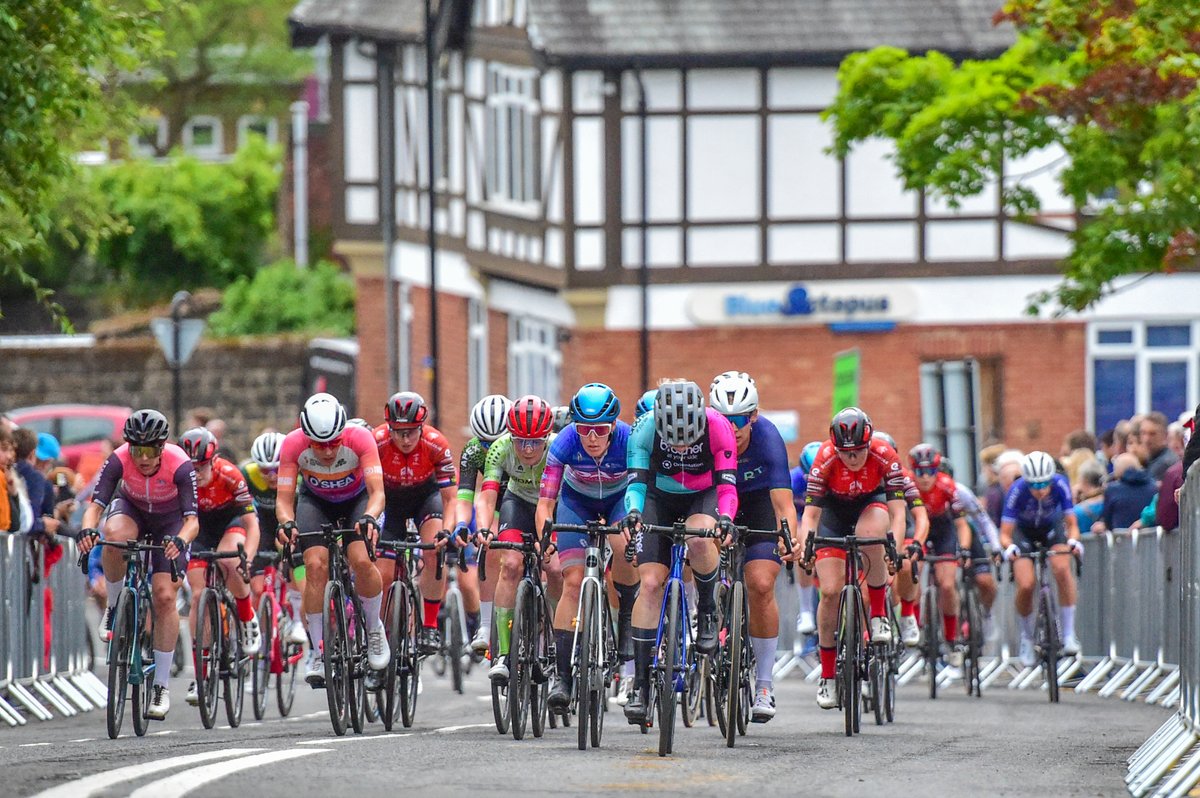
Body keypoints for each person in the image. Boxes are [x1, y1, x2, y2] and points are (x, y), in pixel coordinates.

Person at [621, 381, 736, 724]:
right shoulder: (643, 431)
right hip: (659, 497)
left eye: (689, 439)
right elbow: (636, 485)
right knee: (651, 584)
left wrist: (726, 518)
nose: (683, 447)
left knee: (700, 539)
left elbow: (728, 487)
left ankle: (709, 610)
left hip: (703, 496)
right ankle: (641, 685)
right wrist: (634, 513)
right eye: (674, 440)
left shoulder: (719, 427)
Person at [77, 409, 198, 719]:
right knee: (112, 535)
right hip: (132, 510)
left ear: (162, 447)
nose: (143, 458)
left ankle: (160, 686)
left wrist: (181, 540)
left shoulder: (181, 465)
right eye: (136, 450)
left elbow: (192, 522)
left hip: (169, 521)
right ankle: (115, 606)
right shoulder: (118, 459)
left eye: (150, 450)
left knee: (165, 596)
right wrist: (89, 528)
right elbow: (95, 507)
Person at [276, 393, 390, 686]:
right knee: (314, 567)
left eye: (333, 443)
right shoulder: (292, 444)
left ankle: (374, 626)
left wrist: (369, 517)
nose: (327, 452)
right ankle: (317, 650)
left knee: (361, 560)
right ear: (306, 436)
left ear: (342, 433)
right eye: (318, 444)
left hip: (357, 500)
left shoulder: (360, 438)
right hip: (316, 502)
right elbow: (284, 499)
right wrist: (287, 523)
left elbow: (377, 492)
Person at [536, 383, 636, 713]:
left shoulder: (629, 440)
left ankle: (625, 622)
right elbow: (546, 502)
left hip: (619, 500)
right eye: (584, 429)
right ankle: (562, 677)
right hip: (576, 502)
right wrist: (545, 541)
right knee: (572, 580)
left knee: (624, 548)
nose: (591, 438)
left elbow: (641, 490)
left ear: (612, 427)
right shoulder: (564, 442)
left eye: (600, 430)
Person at [798, 407, 907, 709]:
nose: (853, 458)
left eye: (859, 451)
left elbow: (899, 513)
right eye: (846, 453)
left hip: (870, 505)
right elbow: (811, 515)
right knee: (830, 592)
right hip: (833, 511)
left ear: (869, 443)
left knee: (870, 534)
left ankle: (879, 617)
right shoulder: (825, 457)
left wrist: (894, 548)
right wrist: (806, 547)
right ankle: (829, 676)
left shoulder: (885, 454)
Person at [708, 371, 797, 722]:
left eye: (741, 419)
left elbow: (784, 505)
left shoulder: (768, 438)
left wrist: (791, 536)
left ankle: (763, 685)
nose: (733, 428)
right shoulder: (704, 435)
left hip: (759, 504)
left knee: (761, 584)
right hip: (717, 502)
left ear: (754, 416)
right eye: (724, 420)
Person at [474, 396, 557, 685]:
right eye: (521, 441)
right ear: (511, 437)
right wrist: (484, 528)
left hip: (554, 505)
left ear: (547, 437)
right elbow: (487, 496)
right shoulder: (499, 449)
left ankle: (554, 633)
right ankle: (503, 653)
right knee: (510, 564)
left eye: (535, 442)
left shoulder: (558, 450)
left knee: (556, 567)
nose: (528, 449)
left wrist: (550, 539)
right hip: (518, 502)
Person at [178, 427, 262, 705]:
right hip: (200, 528)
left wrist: (246, 559)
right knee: (199, 594)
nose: (197, 473)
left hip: (230, 523)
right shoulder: (179, 479)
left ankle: (247, 616)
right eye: (191, 467)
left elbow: (252, 524)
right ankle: (200, 675)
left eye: (202, 467)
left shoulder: (231, 476)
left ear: (214, 461)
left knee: (229, 561)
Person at [374, 391, 457, 655]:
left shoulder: (436, 444)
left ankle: (430, 624)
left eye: (411, 431)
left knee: (433, 551)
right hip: (390, 502)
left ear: (422, 426)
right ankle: (384, 640)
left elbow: (451, 500)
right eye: (398, 432)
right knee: (384, 576)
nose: (406, 438)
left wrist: (448, 529)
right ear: (390, 428)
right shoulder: (376, 443)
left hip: (425, 498)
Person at [999, 451, 1084, 665]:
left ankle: (1068, 633)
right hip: (1023, 533)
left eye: (1044, 484)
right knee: (1026, 584)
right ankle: (1026, 638)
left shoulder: (1060, 484)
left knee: (1062, 568)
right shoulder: (1017, 490)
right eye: (1034, 485)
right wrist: (1009, 548)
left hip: (1051, 529)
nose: (1040, 490)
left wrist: (1073, 541)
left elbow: (1072, 524)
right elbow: (1005, 534)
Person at [454, 394, 512, 656]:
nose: (492, 449)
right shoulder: (473, 451)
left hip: (522, 497)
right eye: (486, 443)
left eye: (498, 442)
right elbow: (465, 497)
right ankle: (486, 625)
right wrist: (461, 524)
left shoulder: (523, 445)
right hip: (492, 501)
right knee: (488, 545)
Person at [908, 444, 973, 668]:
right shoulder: (907, 487)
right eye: (919, 472)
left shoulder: (947, 486)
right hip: (918, 529)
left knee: (947, 584)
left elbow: (962, 525)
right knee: (912, 574)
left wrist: (964, 549)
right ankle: (915, 625)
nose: (925, 478)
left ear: (938, 471)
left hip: (943, 529)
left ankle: (951, 636)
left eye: (930, 472)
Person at [242, 431, 308, 647]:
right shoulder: (248, 474)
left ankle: (298, 620)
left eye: (276, 469)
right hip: (263, 526)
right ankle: (269, 616)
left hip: (291, 521)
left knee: (296, 560)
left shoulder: (298, 474)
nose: (271, 476)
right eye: (265, 470)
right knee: (257, 586)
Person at [789, 441, 822, 638]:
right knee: (804, 539)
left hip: (825, 517)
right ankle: (806, 610)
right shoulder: (793, 479)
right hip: (802, 519)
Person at [1095, 452, 1157, 531]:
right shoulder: (1154, 487)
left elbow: (1107, 520)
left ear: (1117, 472)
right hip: (1152, 540)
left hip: (1121, 540)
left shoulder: (1112, 490)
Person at [1139, 412, 1179, 481]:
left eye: (1152, 434)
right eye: (1143, 433)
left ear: (1165, 435)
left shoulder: (1166, 464)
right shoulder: (1147, 460)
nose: (1146, 439)